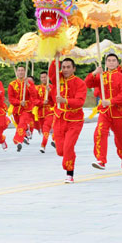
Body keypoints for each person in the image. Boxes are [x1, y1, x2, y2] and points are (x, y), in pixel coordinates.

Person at [86, 53, 122, 171]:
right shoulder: (102, 76)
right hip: (105, 112)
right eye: (109, 60)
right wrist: (95, 72)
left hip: (119, 112)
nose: (111, 62)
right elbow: (88, 83)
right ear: (106, 63)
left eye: (113, 60)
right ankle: (101, 160)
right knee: (99, 133)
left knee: (120, 137)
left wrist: (111, 101)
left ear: (117, 63)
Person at [49, 55, 87, 183]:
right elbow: (51, 73)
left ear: (74, 69)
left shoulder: (80, 83)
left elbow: (80, 101)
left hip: (74, 120)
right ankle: (70, 154)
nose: (65, 70)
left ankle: (69, 173)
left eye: (68, 67)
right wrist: (55, 57)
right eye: (63, 67)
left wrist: (65, 100)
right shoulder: (57, 80)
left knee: (68, 147)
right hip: (59, 118)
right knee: (60, 151)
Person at [8, 65, 37, 151]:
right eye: (19, 70)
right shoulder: (12, 84)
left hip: (26, 108)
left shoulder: (29, 83)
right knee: (20, 124)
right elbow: (11, 98)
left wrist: (29, 86)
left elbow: (34, 95)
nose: (20, 72)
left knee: (22, 123)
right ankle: (27, 131)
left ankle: (18, 140)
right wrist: (19, 102)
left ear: (25, 72)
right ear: (16, 72)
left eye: (22, 70)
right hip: (16, 109)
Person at [36, 71, 56, 153]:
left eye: (45, 77)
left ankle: (43, 145)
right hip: (40, 113)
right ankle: (55, 141)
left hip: (50, 111)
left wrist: (51, 92)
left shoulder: (52, 87)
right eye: (42, 77)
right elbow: (34, 100)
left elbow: (55, 100)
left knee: (46, 128)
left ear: (48, 78)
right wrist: (41, 102)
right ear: (40, 79)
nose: (44, 79)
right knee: (44, 130)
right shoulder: (37, 88)